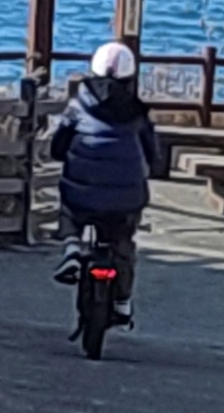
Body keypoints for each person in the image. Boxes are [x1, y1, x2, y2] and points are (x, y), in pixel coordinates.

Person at [47, 42, 171, 328]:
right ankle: (123, 304)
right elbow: (153, 155)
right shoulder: (137, 113)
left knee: (70, 208)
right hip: (126, 198)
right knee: (123, 243)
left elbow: (57, 147)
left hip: (82, 193)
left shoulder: (78, 106)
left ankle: (71, 247)